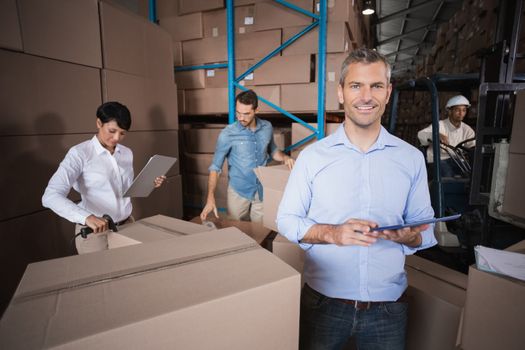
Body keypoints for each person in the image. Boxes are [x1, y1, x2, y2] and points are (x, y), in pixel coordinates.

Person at [276, 48, 437, 350]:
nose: (366, 96)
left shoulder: (411, 159)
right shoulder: (312, 157)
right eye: (355, 85)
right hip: (324, 304)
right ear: (340, 92)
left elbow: (426, 229)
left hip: (387, 309)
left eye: (376, 86)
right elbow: (287, 219)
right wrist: (332, 233)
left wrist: (410, 237)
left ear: (388, 92)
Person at [42, 101, 166, 254]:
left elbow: (123, 189)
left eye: (122, 133)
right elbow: (50, 196)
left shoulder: (127, 153)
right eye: (112, 130)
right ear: (99, 123)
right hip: (94, 233)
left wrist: (149, 183)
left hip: (127, 225)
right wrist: (86, 217)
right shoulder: (79, 153)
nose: (116, 138)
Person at [200, 90, 294, 223]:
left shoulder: (267, 127)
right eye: (238, 113)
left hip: (261, 189)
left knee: (260, 232)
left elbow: (273, 151)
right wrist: (210, 198)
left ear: (256, 110)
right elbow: (215, 167)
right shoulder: (227, 134)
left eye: (246, 114)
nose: (241, 118)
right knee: (237, 233)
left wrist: (285, 158)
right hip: (239, 191)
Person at [417, 95, 476, 177]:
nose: (461, 113)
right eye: (457, 110)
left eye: (464, 110)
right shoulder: (440, 125)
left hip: (457, 160)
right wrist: (436, 135)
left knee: (470, 175)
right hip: (438, 160)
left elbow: (472, 147)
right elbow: (421, 135)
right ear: (449, 111)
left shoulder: (467, 130)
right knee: (448, 176)